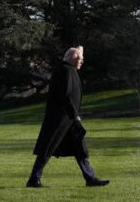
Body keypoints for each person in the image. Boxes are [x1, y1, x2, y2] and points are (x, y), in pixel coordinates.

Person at [26, 46, 109, 188]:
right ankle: (34, 180)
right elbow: (65, 96)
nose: (82, 62)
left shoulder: (68, 70)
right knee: (47, 148)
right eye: (80, 59)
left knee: (80, 148)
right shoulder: (65, 71)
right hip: (61, 119)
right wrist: (74, 116)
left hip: (67, 120)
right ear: (73, 59)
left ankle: (90, 178)